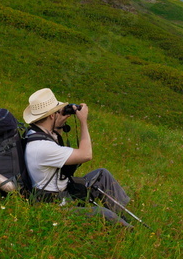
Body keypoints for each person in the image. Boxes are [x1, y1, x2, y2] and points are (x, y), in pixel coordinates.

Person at [22, 88, 132, 227]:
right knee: (103, 214)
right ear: (50, 116)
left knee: (102, 175)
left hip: (63, 192)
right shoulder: (42, 147)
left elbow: (55, 146)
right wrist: (83, 121)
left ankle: (125, 216)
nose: (59, 113)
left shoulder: (35, 133)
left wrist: (59, 125)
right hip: (54, 207)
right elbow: (86, 155)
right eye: (56, 112)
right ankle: (131, 231)